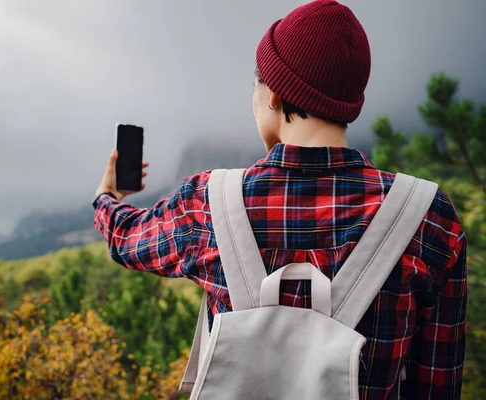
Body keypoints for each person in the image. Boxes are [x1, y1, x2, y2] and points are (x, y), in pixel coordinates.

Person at [91, 0, 467, 398]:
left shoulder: (205, 202)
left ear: (272, 94)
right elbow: (437, 386)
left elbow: (125, 238)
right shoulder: (429, 215)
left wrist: (107, 196)